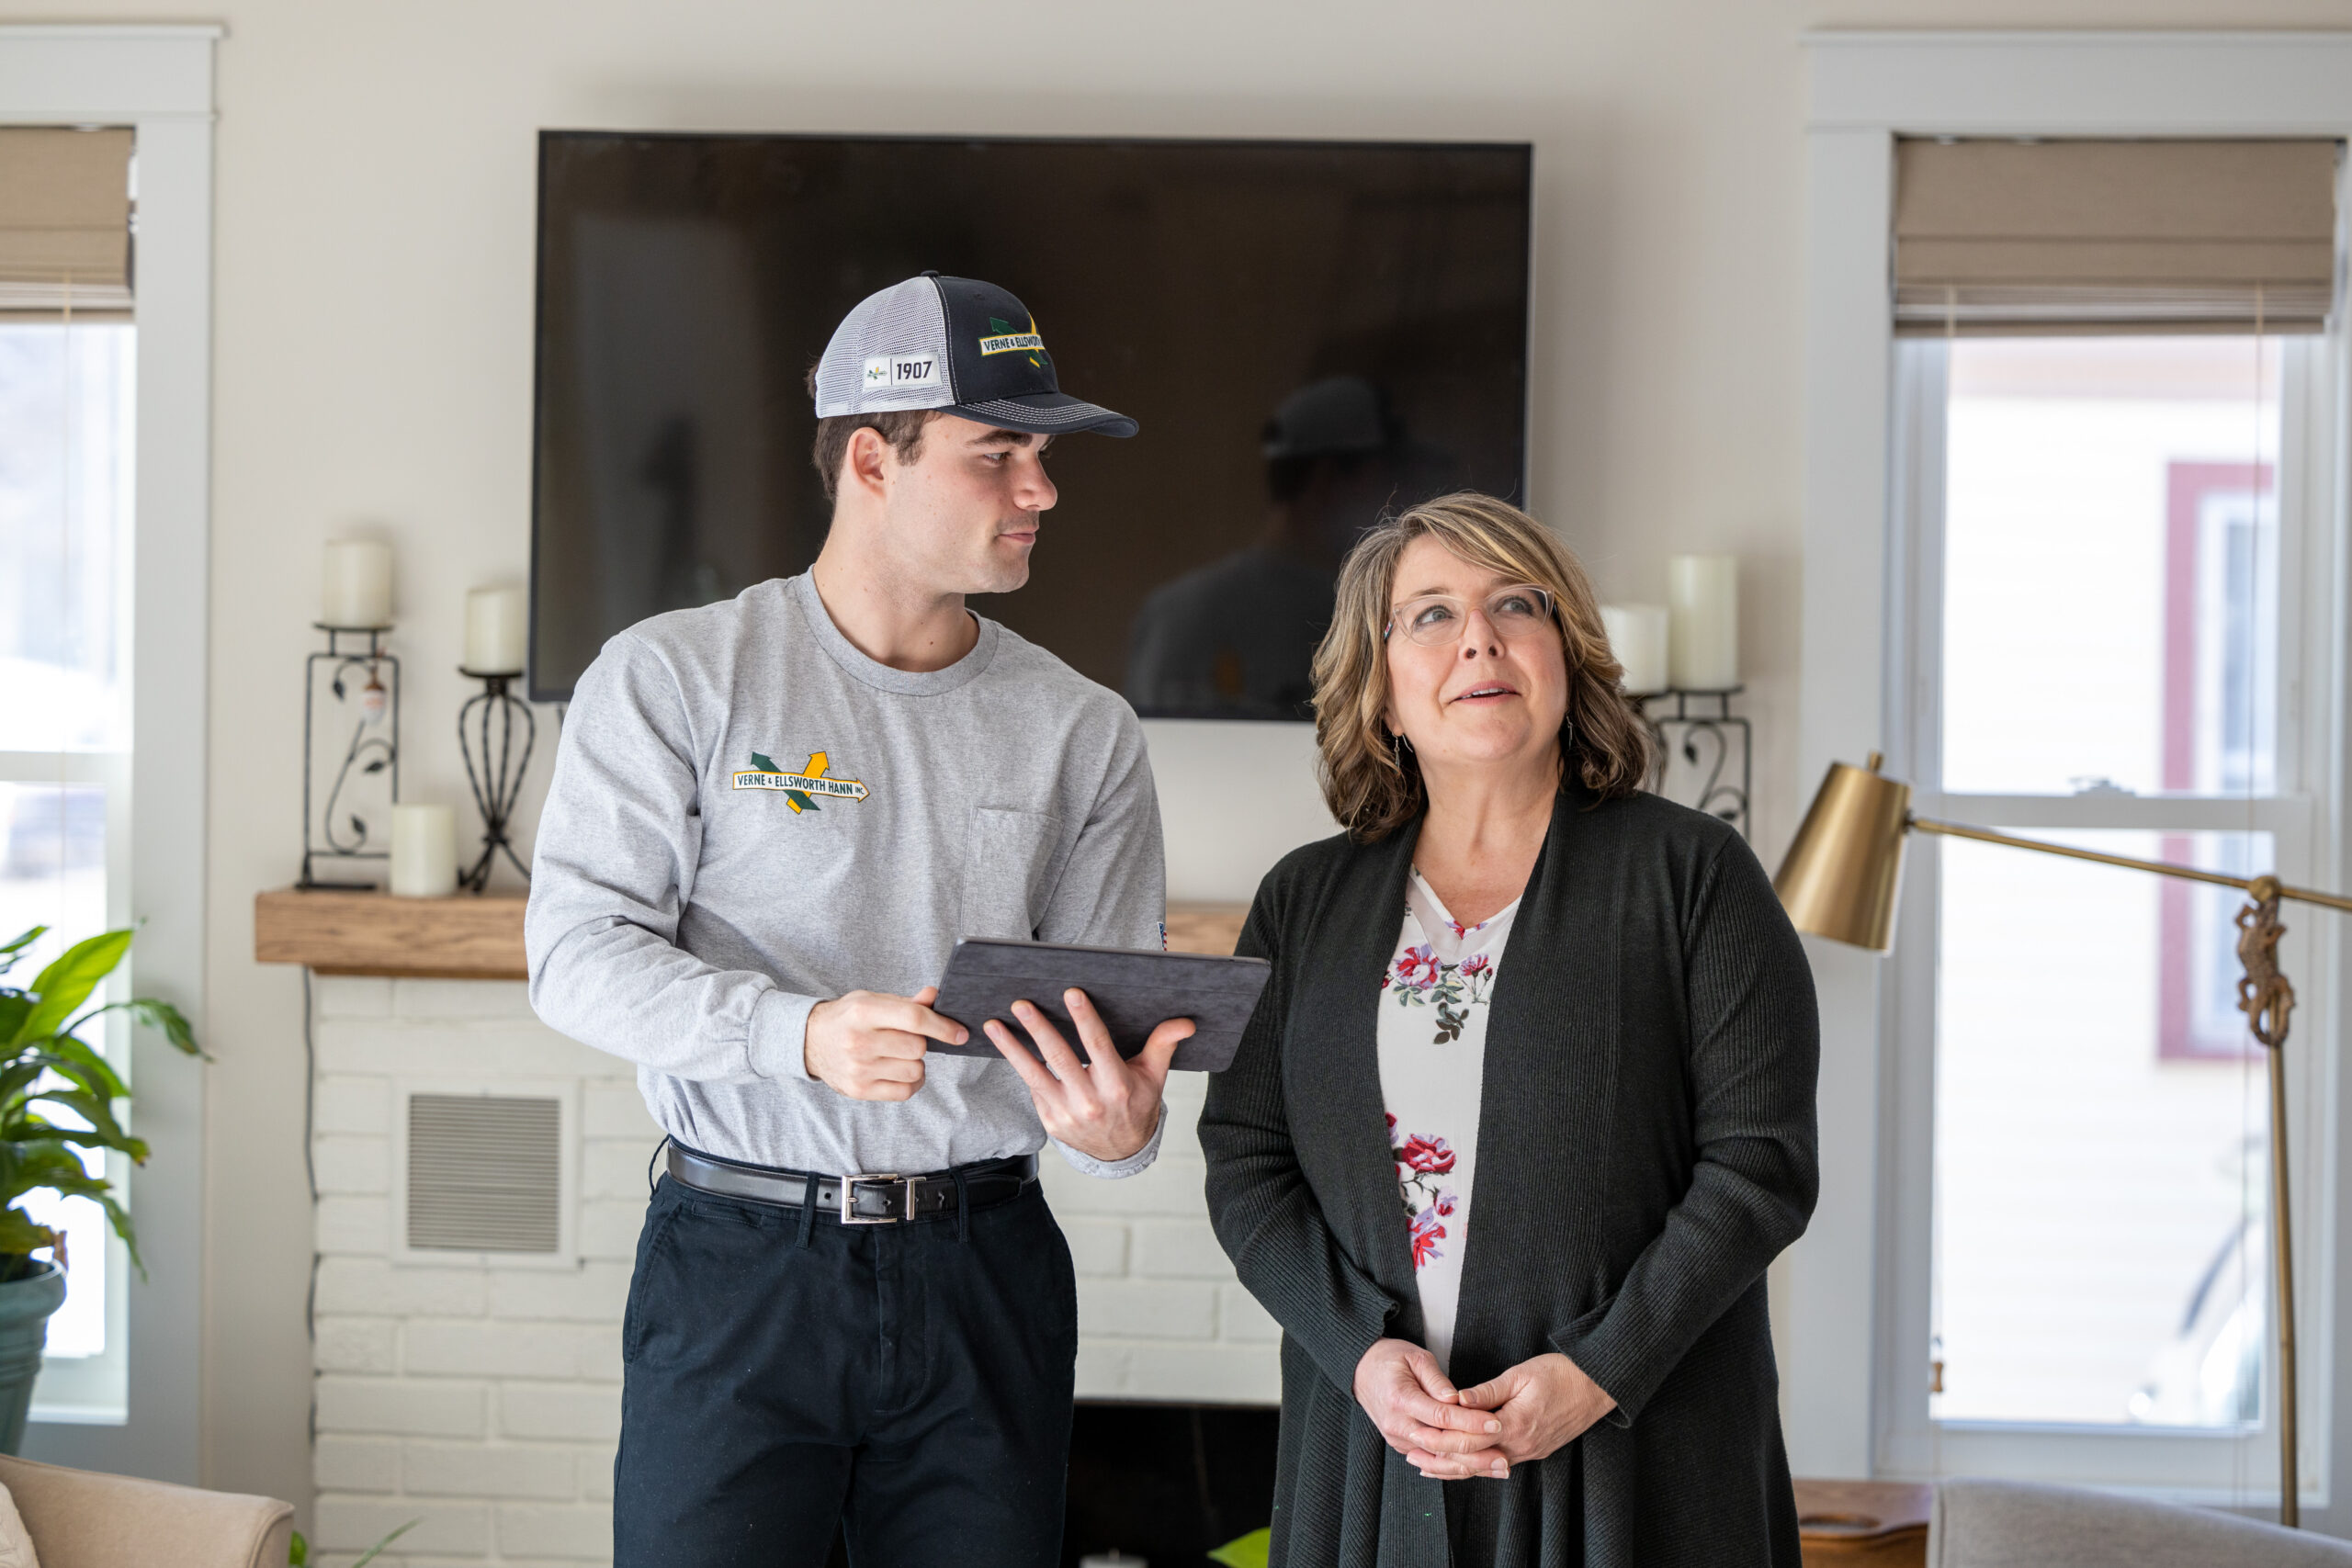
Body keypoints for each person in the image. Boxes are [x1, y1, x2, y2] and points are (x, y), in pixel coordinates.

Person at [526, 272, 1194, 1568]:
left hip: (987, 1270)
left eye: (1042, 457)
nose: (1040, 491)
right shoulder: (674, 676)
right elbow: (575, 956)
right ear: (874, 460)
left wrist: (1122, 1132)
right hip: (737, 1268)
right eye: (997, 454)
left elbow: (1104, 1038)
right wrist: (802, 1032)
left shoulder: (1085, 731)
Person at [1200, 492, 1819, 1567]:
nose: (1477, 636)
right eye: (1429, 614)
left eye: (1513, 605)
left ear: (1566, 655)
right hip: (1377, 1444)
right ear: (1381, 688)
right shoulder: (1303, 901)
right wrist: (1359, 1355)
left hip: (1637, 1446)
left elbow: (1759, 1166)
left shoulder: (1693, 874)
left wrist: (1596, 1373)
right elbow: (1247, 1159)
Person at [1124, 377, 1415, 719]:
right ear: (1327, 480)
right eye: (1386, 479)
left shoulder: (1386, 608)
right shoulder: (1187, 617)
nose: (1399, 502)